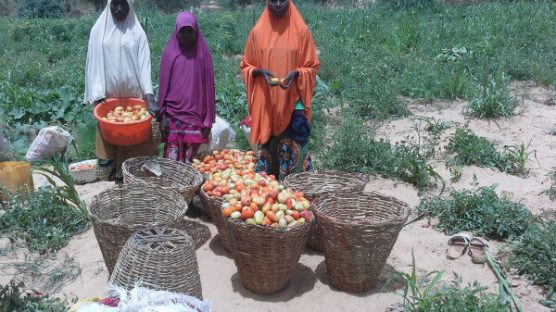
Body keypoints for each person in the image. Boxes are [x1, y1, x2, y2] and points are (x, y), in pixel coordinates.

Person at [241, 0, 320, 181]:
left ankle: (297, 190)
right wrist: (259, 72)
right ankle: (270, 198)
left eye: (282, 0)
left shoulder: (301, 31)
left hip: (294, 101)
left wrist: (296, 74)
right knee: (268, 152)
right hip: (267, 101)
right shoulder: (257, 33)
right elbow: (246, 65)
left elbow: (312, 65)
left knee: (295, 146)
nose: (278, 4)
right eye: (273, 0)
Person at [84, 0, 159, 183]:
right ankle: (109, 177)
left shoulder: (137, 33)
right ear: (108, 5)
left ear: (130, 6)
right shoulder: (98, 31)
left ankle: (130, 176)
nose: (118, 9)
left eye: (123, 4)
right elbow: (93, 63)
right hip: (107, 100)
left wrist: (148, 97)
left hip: (134, 100)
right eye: (114, 4)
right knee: (109, 136)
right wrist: (97, 92)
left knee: (133, 137)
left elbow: (144, 66)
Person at [157, 12, 216, 163]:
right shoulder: (169, 53)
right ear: (176, 31)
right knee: (171, 162)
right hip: (172, 116)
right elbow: (163, 88)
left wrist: (208, 120)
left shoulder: (203, 55)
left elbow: (209, 90)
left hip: (195, 117)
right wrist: (162, 116)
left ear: (196, 31)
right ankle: (173, 187)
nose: (187, 35)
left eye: (190, 31)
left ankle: (190, 187)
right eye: (183, 31)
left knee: (191, 162)